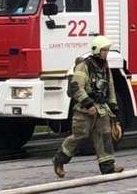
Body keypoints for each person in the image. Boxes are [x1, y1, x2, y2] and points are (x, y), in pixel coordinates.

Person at [53, 36, 123, 177]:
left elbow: (110, 86)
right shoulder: (84, 66)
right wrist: (88, 104)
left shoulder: (105, 67)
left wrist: (114, 109)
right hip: (84, 110)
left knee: (104, 136)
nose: (106, 53)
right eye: (104, 50)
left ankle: (108, 167)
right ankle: (59, 160)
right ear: (97, 50)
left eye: (107, 50)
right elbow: (76, 87)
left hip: (101, 109)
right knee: (79, 136)